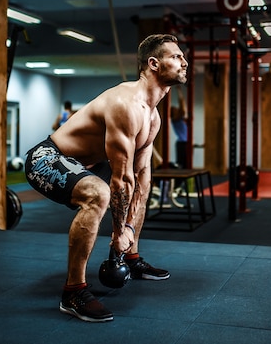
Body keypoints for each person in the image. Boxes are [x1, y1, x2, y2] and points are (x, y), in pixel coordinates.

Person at [24, 34, 188, 323]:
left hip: (89, 163)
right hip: (47, 157)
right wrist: (116, 234)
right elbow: (122, 179)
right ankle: (73, 291)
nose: (184, 61)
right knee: (99, 193)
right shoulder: (125, 104)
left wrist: (126, 229)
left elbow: (140, 175)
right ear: (153, 64)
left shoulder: (153, 117)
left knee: (144, 185)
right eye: (176, 56)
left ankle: (132, 259)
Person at [170, 86, 188, 168]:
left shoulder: (181, 119)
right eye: (175, 109)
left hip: (185, 143)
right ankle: (179, 180)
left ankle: (187, 180)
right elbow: (183, 107)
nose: (177, 109)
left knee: (187, 165)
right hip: (182, 144)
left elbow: (183, 109)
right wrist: (179, 91)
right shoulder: (175, 119)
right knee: (182, 165)